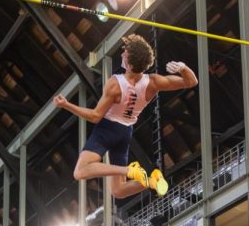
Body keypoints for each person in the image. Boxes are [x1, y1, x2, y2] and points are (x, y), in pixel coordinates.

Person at [54, 34, 197, 200]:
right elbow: (191, 82)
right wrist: (183, 68)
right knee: (118, 191)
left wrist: (66, 105)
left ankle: (130, 170)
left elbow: (95, 116)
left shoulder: (115, 84)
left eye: (125, 54)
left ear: (129, 63)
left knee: (80, 172)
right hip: (125, 132)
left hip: (107, 130)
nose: (122, 55)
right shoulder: (153, 82)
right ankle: (151, 181)